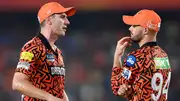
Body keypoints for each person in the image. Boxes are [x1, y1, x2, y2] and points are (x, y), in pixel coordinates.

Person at [12, 2, 76, 101]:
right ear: (49, 20)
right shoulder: (32, 47)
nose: (67, 22)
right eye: (62, 17)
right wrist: (50, 98)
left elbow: (58, 87)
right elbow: (18, 83)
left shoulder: (58, 52)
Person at [111, 9, 171, 101]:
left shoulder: (137, 57)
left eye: (134, 25)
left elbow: (116, 87)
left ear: (145, 30)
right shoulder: (163, 56)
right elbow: (148, 84)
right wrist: (130, 91)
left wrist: (117, 56)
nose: (130, 28)